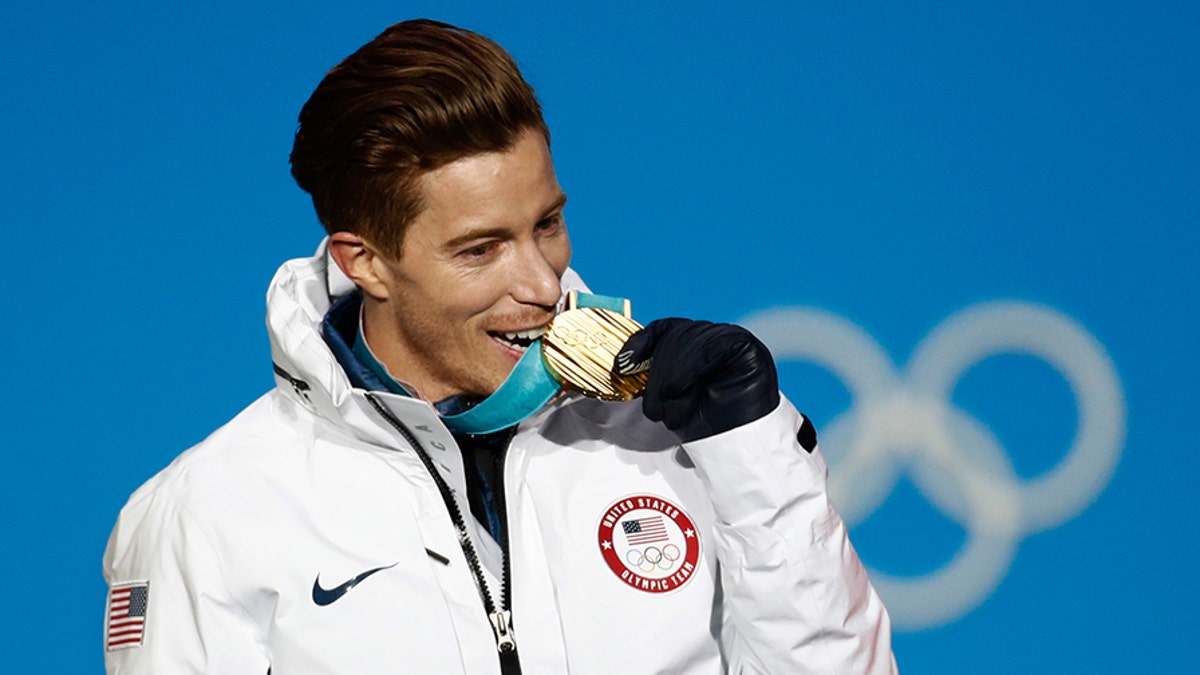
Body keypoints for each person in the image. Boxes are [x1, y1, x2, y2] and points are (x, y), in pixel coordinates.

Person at [102, 18, 896, 674]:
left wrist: (755, 449)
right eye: (480, 249)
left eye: (546, 224)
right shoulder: (210, 511)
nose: (544, 283)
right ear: (364, 261)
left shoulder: (679, 439)